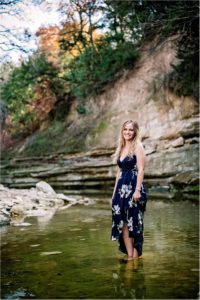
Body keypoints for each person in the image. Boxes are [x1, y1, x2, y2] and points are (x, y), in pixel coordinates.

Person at [111, 120, 147, 261]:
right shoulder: (121, 147)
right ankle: (130, 255)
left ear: (135, 131)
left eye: (130, 130)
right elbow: (119, 173)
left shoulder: (137, 146)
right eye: (125, 129)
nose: (127, 132)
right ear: (122, 131)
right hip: (121, 190)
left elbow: (141, 169)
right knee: (124, 223)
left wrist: (137, 190)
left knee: (134, 223)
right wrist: (114, 195)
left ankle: (135, 257)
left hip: (133, 188)